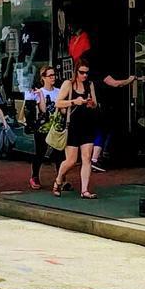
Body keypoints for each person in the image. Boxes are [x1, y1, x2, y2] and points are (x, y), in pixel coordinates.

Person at [53, 57, 101, 198]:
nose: (84, 75)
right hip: (72, 125)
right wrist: (75, 101)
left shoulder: (89, 84)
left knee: (86, 158)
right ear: (76, 72)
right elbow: (58, 103)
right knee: (71, 160)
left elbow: (95, 104)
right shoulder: (68, 84)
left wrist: (90, 103)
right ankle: (59, 179)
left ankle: (84, 190)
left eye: (86, 73)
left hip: (87, 124)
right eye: (82, 72)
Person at [26, 64, 61, 191]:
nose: (53, 78)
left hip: (56, 125)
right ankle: (34, 176)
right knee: (40, 152)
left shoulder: (59, 91)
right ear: (43, 78)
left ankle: (60, 178)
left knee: (59, 153)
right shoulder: (39, 92)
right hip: (43, 126)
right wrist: (40, 96)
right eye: (50, 75)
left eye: (54, 75)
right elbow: (43, 110)